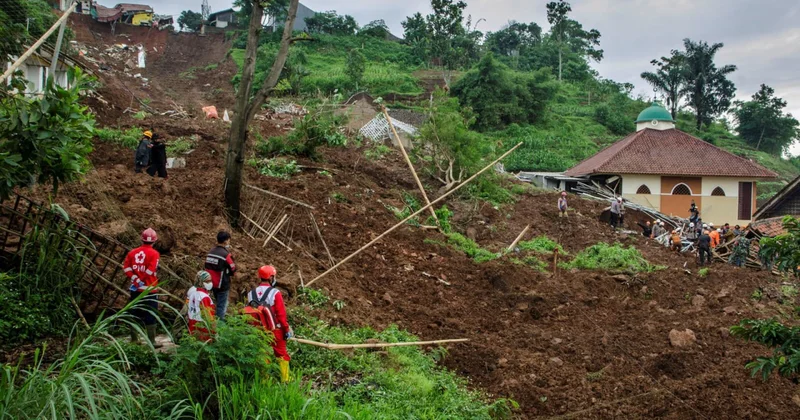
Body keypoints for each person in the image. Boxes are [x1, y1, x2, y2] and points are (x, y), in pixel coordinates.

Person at [247, 265, 293, 383]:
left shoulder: (251, 294)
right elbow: (281, 314)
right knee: (281, 353)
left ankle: (264, 381)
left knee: (263, 354)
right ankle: (285, 380)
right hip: (275, 329)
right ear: (271, 277)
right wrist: (286, 329)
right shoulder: (275, 293)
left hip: (258, 330)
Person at [123, 228, 162, 348]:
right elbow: (151, 271)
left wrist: (135, 278)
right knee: (150, 314)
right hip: (149, 290)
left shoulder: (132, 253)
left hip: (136, 289)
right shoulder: (154, 254)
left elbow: (126, 268)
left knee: (134, 312)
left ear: (142, 239)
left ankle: (134, 339)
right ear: (154, 241)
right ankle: (152, 341)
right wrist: (142, 280)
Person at [205, 231, 237, 321]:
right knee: (221, 307)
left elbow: (206, 266)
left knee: (216, 303)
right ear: (226, 241)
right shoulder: (226, 255)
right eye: (229, 240)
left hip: (211, 283)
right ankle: (219, 328)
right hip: (222, 284)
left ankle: (213, 322)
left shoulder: (211, 252)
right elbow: (233, 268)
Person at [187, 270, 215, 340]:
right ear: (201, 282)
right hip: (203, 328)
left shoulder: (193, 294)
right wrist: (214, 330)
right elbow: (207, 315)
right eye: (207, 281)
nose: (210, 283)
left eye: (210, 281)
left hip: (193, 326)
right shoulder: (204, 297)